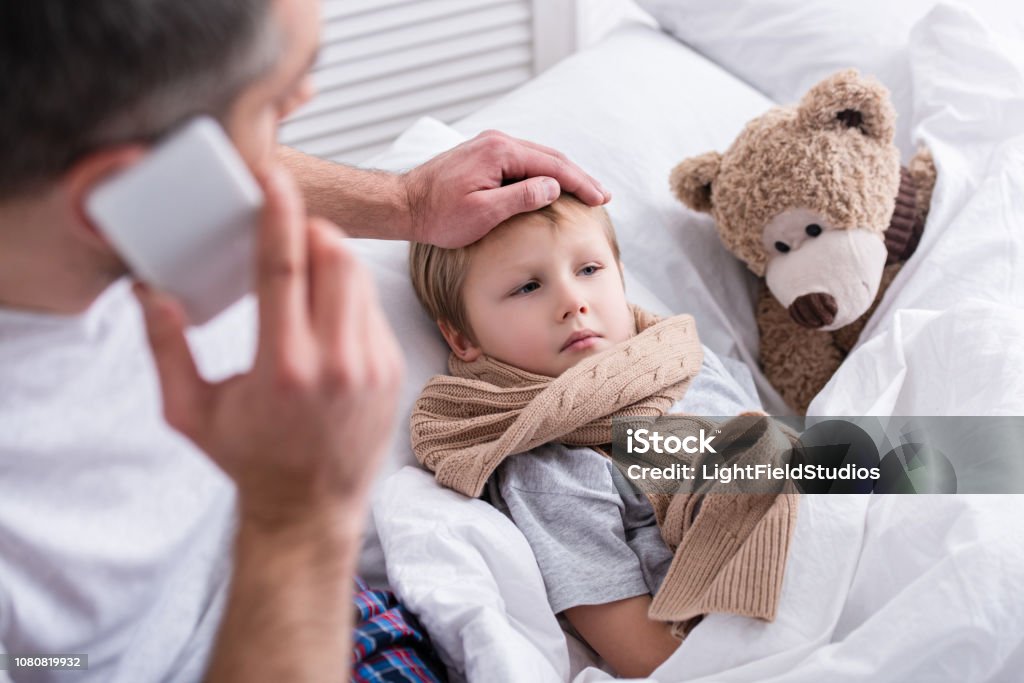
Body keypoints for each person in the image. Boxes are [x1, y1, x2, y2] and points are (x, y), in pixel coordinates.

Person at [0, 0, 610, 681]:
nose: (305, 99)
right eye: (271, 102)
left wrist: (403, 203)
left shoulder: (70, 163)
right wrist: (300, 522)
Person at [408, 195, 770, 678]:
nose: (571, 302)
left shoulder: (684, 359)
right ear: (463, 340)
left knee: (900, 456)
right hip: (749, 624)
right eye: (528, 286)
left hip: (826, 503)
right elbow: (641, 653)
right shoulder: (549, 467)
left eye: (590, 269)